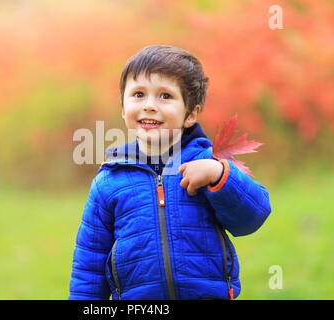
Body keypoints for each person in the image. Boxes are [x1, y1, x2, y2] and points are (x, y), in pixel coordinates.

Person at [69, 45, 272, 300]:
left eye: (165, 96)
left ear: (191, 114)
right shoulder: (109, 182)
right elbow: (89, 264)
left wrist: (220, 175)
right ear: (123, 108)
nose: (150, 106)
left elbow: (252, 217)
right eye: (139, 94)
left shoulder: (209, 164)